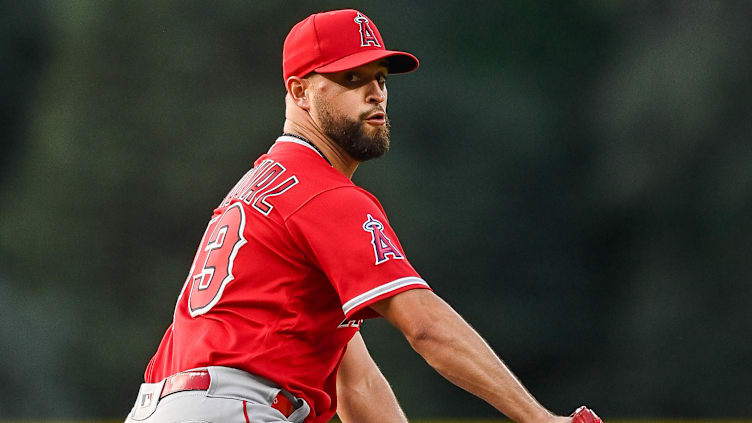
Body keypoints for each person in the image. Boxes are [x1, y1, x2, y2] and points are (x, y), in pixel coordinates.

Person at [124, 9, 602, 423]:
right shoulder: (323, 193)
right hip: (232, 409)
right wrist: (541, 417)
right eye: (351, 78)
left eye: (380, 78)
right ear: (300, 92)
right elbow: (426, 326)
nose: (375, 92)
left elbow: (356, 385)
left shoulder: (266, 186)